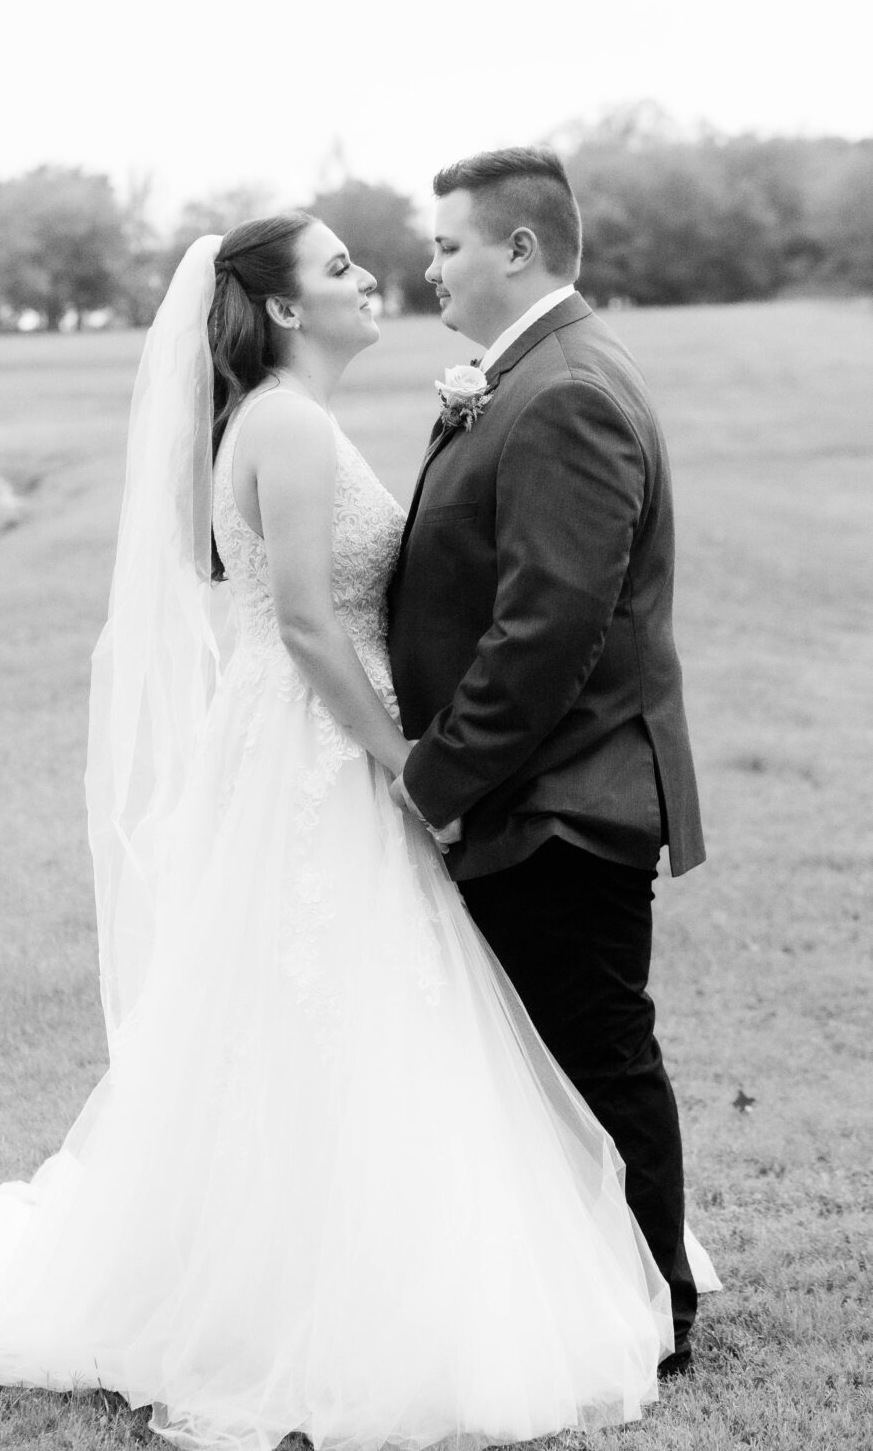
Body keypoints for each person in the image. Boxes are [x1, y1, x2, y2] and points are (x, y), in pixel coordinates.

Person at [0, 212, 710, 1449]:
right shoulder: (283, 424)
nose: (370, 274)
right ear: (284, 309)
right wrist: (401, 759)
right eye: (337, 266)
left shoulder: (288, 419)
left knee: (336, 1011)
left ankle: (373, 1253)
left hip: (314, 747)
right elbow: (298, 620)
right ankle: (319, 1291)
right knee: (335, 1006)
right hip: (322, 751)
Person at [387, 146, 711, 1376]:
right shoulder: (526, 372)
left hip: (563, 796)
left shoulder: (563, 388)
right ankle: (597, 1281)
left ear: (516, 250)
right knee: (553, 1058)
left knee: (594, 1052)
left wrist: (430, 785)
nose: (428, 268)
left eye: (445, 245)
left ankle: (654, 1307)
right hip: (544, 788)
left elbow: (545, 636)